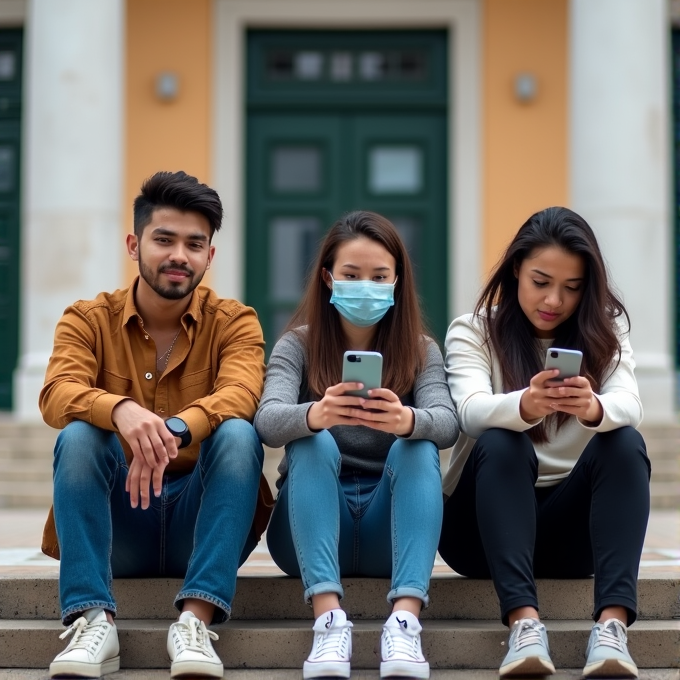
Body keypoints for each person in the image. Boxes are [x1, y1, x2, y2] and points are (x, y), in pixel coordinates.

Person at [39, 171, 272, 679]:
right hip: (117, 523)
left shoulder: (236, 321)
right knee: (78, 434)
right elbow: (56, 393)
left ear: (210, 255)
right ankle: (91, 621)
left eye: (194, 244)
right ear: (134, 244)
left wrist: (178, 427)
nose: (178, 256)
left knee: (238, 434)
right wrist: (119, 409)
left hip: (199, 521)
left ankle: (195, 621)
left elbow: (243, 393)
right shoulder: (87, 319)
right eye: (164, 239)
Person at [438, 206, 650, 678]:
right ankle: (524, 626)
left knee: (625, 442)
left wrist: (592, 407)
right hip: (477, 531)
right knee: (501, 439)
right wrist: (525, 406)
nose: (554, 299)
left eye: (572, 288)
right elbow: (469, 411)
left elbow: (630, 405)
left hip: (571, 534)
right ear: (516, 268)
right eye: (541, 281)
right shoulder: (473, 330)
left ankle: (612, 629)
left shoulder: (607, 332)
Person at [254, 210, 458, 680]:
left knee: (418, 445)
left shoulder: (421, 349)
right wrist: (315, 414)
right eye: (351, 274)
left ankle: (405, 622)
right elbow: (266, 421)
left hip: (393, 527)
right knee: (312, 442)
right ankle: (327, 621)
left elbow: (446, 424)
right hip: (307, 529)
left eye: (378, 276)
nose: (365, 285)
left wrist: (407, 420)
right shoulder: (297, 345)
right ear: (328, 278)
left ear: (397, 281)